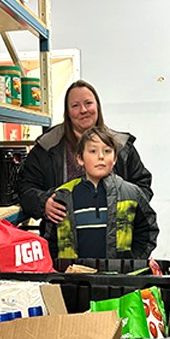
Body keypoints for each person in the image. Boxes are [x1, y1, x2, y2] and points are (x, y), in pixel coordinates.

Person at [18, 80, 153, 236]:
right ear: (67, 112)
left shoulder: (121, 147)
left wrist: (127, 207)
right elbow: (26, 188)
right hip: (64, 241)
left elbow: (142, 184)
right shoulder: (47, 147)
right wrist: (44, 203)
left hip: (115, 242)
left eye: (88, 103)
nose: (83, 110)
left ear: (97, 107)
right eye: (75, 106)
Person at [44, 126, 159, 259]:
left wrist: (133, 262)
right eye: (93, 151)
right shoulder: (64, 196)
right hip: (74, 276)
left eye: (107, 151)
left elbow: (148, 231)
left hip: (119, 277)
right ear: (80, 158)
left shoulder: (132, 193)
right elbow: (50, 239)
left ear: (115, 158)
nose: (100, 156)